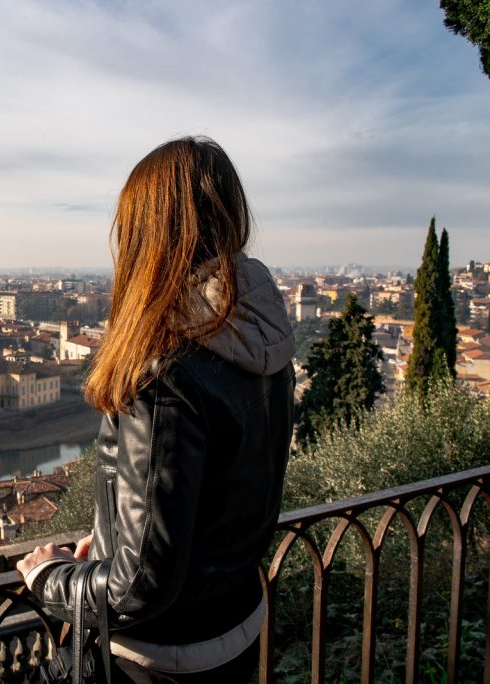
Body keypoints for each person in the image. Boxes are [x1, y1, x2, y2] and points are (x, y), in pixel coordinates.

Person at [16, 137, 295, 683]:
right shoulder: (267, 341)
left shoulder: (165, 373)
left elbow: (139, 584)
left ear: (147, 232)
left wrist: (49, 575)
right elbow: (219, 492)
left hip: (157, 660)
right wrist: (121, 530)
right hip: (235, 631)